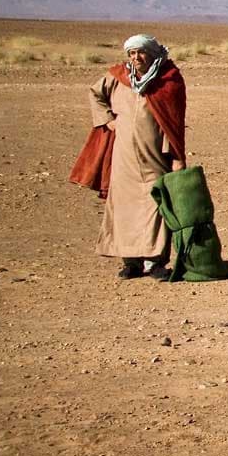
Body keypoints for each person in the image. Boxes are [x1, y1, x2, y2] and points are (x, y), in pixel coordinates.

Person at [81, 34, 187, 280]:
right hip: (124, 158)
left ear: (152, 53)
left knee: (156, 207)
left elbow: (175, 122)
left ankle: (155, 262)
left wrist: (177, 155)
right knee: (124, 208)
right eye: (131, 53)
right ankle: (131, 262)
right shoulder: (117, 78)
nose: (136, 58)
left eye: (141, 52)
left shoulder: (168, 80)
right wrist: (108, 120)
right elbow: (95, 94)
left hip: (155, 157)